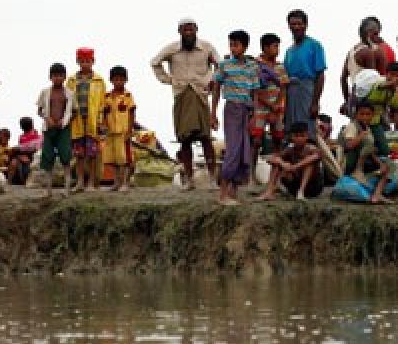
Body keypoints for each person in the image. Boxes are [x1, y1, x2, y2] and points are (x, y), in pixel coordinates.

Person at [150, 19, 220, 189]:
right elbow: (155, 62)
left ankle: (212, 179)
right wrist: (168, 80)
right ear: (179, 31)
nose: (188, 33)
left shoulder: (206, 47)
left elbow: (220, 65)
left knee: (205, 138)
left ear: (196, 30)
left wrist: (212, 80)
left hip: (201, 95)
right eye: (185, 30)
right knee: (185, 139)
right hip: (181, 95)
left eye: (191, 29)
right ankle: (189, 180)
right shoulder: (172, 49)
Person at [212, 30, 273, 206]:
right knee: (232, 150)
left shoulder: (252, 67)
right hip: (232, 107)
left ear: (244, 46)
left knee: (243, 151)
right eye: (231, 44)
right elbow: (216, 88)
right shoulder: (225, 65)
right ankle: (222, 194)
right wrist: (213, 112)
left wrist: (254, 113)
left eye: (236, 44)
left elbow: (255, 91)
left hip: (246, 110)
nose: (233, 48)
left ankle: (233, 191)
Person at [66, 48, 106, 192]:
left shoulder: (99, 80)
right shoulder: (71, 80)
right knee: (79, 154)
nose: (85, 64)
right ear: (78, 62)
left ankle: (91, 182)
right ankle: (80, 182)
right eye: (82, 61)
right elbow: (67, 100)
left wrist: (100, 121)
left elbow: (102, 103)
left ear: (93, 61)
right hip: (76, 121)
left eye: (88, 61)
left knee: (92, 154)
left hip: (92, 121)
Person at [282, 10, 326, 140]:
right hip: (291, 92)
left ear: (305, 25)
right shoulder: (289, 51)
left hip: (307, 90)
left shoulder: (314, 45)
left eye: (299, 23)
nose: (296, 27)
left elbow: (320, 75)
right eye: (292, 24)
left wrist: (315, 103)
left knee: (307, 129)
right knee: (292, 129)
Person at [37, 63, 75, 197]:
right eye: (55, 76)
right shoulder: (45, 92)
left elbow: (73, 112)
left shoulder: (70, 93)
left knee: (66, 156)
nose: (57, 78)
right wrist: (48, 119)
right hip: (48, 128)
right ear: (50, 77)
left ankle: (67, 189)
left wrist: (63, 122)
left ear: (64, 77)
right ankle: (48, 190)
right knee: (47, 157)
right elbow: (40, 110)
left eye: (60, 75)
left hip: (63, 129)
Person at [258, 122, 323, 201]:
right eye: (296, 136)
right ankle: (269, 192)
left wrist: (295, 167)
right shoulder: (290, 149)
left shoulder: (311, 148)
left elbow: (316, 156)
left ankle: (301, 192)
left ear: (307, 136)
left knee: (309, 163)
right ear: (291, 137)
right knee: (277, 163)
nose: (299, 139)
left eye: (302, 136)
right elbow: (271, 159)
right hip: (294, 186)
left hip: (313, 187)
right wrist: (283, 163)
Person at [342, 102, 392, 204]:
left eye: (368, 114)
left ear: (372, 116)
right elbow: (349, 146)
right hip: (351, 161)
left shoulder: (367, 129)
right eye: (362, 114)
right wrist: (361, 136)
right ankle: (358, 170)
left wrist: (381, 164)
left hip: (363, 158)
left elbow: (369, 151)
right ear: (356, 115)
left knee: (386, 167)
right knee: (368, 141)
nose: (365, 117)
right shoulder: (352, 126)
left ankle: (376, 196)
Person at [251, 33, 289, 157]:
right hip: (260, 107)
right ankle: (252, 173)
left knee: (277, 140)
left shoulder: (280, 66)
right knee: (256, 141)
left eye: (278, 47)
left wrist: (276, 105)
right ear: (265, 48)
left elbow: (283, 87)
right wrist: (270, 105)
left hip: (278, 107)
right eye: (275, 46)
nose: (277, 50)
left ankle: (276, 172)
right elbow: (254, 89)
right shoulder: (255, 65)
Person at [102, 65, 137, 192]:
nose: (118, 82)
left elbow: (132, 112)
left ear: (126, 80)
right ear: (111, 80)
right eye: (116, 79)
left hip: (123, 132)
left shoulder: (128, 96)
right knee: (113, 159)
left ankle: (125, 183)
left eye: (121, 79)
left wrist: (129, 130)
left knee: (125, 159)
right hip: (111, 133)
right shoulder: (107, 96)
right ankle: (116, 182)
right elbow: (104, 113)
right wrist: (104, 125)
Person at [363, 62, 398, 153]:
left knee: (384, 147)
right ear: (386, 74)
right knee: (371, 146)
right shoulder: (380, 83)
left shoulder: (396, 93)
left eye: (397, 75)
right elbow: (381, 86)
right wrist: (393, 82)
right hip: (365, 122)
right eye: (391, 74)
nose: (394, 78)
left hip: (376, 122)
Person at [9, 116, 41, 185]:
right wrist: (20, 155)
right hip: (22, 156)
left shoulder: (36, 135)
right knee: (14, 161)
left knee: (18, 161)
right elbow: (20, 148)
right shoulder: (22, 137)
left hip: (32, 155)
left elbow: (36, 148)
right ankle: (9, 181)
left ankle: (13, 180)